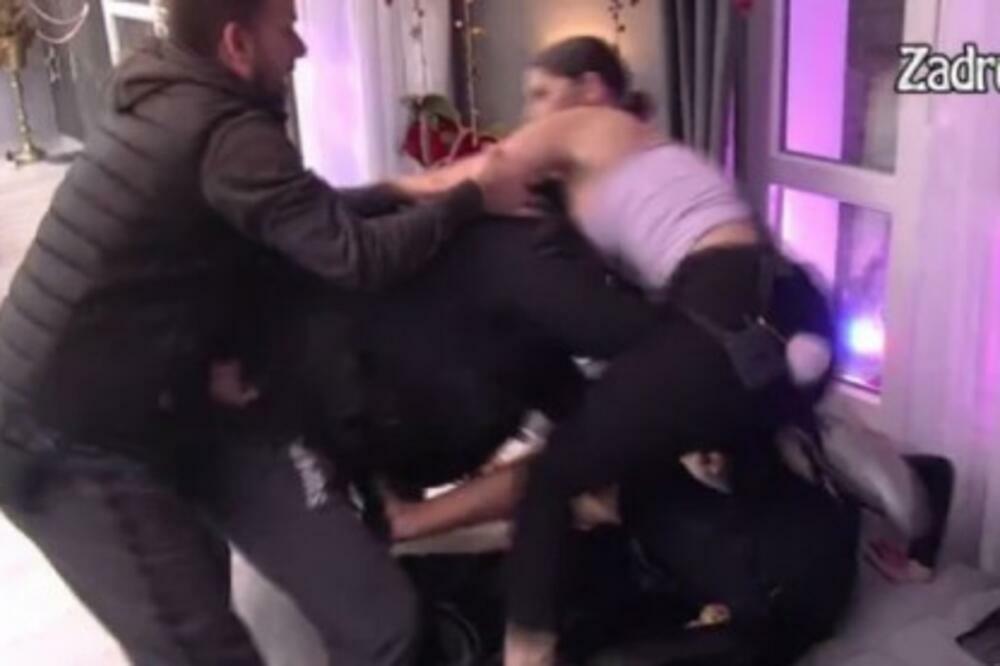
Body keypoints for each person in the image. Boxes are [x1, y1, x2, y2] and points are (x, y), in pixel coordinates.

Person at [0, 0, 529, 663]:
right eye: (288, 29)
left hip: (175, 394)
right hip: (66, 435)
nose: (301, 48)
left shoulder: (173, 89)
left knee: (384, 622)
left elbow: (291, 210)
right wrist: (474, 197)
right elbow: (357, 257)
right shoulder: (220, 130)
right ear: (237, 44)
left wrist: (407, 190)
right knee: (202, 647)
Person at [399, 36, 842, 666]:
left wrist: (362, 201)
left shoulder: (593, 133)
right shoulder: (653, 164)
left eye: (541, 94)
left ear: (590, 90)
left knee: (556, 480)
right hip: (778, 316)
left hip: (763, 560)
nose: (532, 113)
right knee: (595, 474)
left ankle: (525, 653)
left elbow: (463, 179)